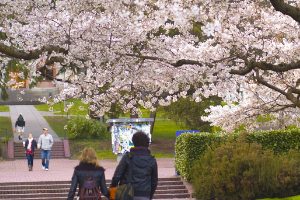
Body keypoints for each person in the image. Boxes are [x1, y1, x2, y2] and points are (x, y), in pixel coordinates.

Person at [111, 131, 158, 200]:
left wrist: (112, 189)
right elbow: (154, 181)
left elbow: (117, 176)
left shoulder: (127, 157)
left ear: (134, 142)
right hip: (144, 195)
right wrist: (149, 195)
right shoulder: (152, 160)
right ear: (147, 144)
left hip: (127, 194)